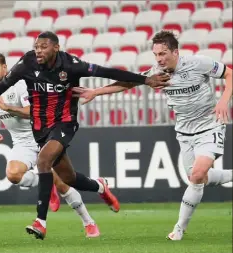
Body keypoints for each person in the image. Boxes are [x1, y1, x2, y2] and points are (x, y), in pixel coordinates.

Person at [0, 31, 170, 240]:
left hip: (64, 123)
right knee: (69, 178)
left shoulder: (71, 65)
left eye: (43, 47)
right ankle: (100, 186)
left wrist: (146, 80)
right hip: (40, 129)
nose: (38, 51)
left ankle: (41, 222)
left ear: (56, 48)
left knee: (44, 161)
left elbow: (108, 72)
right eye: (36, 47)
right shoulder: (27, 63)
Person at [73, 30, 233, 241]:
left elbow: (230, 73)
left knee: (196, 175)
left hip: (210, 126)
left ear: (175, 52)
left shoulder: (198, 63)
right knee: (198, 177)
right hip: (184, 132)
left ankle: (179, 229)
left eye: (163, 53)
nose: (159, 59)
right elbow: (128, 83)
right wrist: (95, 92)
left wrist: (223, 100)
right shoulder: (157, 73)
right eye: (156, 54)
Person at [0, 53, 100, 237]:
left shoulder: (19, 85)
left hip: (43, 136)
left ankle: (88, 222)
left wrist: (9, 108)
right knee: (12, 174)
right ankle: (46, 182)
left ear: (5, 67)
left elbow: (32, 112)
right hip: (22, 143)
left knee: (64, 184)